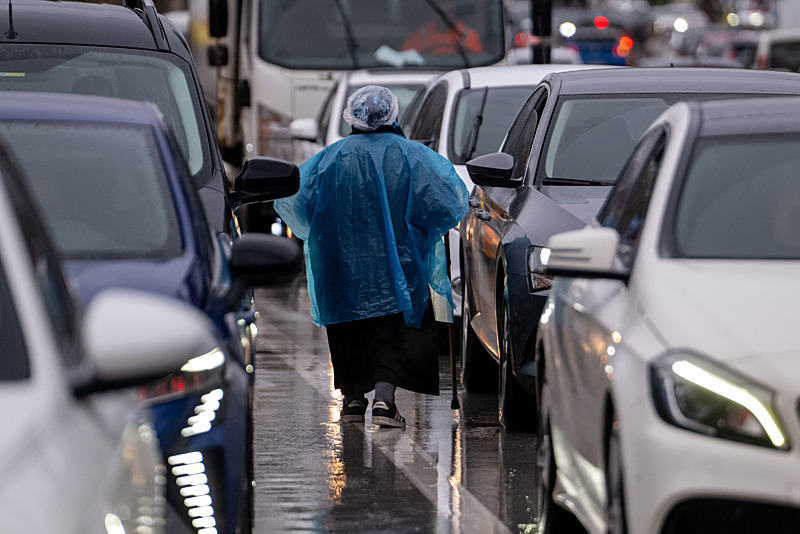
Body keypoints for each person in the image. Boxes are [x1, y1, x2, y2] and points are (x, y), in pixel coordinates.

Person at [274, 85, 469, 428]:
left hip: (342, 268)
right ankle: (384, 402)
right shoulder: (413, 156)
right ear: (393, 114)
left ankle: (352, 400)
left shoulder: (329, 159)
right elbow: (448, 201)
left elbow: (296, 201)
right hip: (399, 269)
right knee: (391, 332)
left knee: (349, 328)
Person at [402, 0, 484, 55]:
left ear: (454, 13)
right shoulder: (421, 35)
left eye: (448, 12)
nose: (444, 16)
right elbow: (406, 60)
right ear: (433, 14)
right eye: (440, 12)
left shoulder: (468, 35)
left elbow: (477, 63)